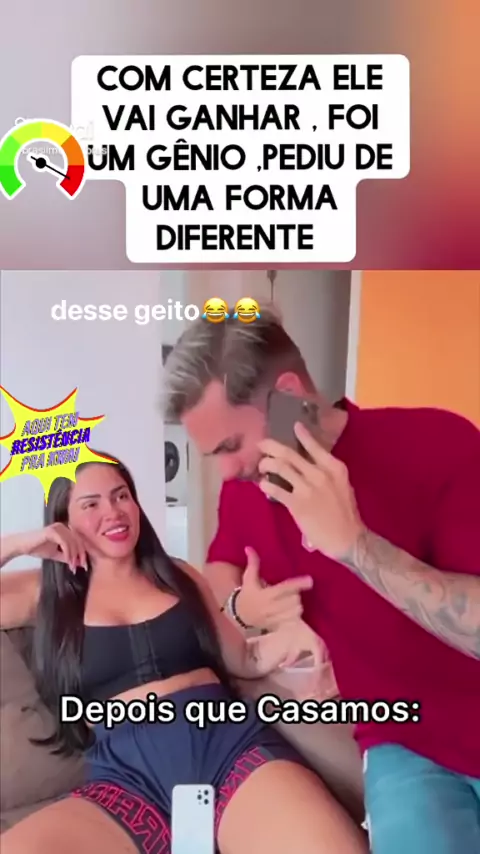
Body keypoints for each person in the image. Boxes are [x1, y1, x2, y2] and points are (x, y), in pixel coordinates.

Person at [164, 307, 480, 854]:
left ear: (288, 396)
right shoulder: (245, 490)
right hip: (403, 743)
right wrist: (242, 607)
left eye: (230, 446)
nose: (226, 471)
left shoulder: (437, 443)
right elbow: (219, 571)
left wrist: (355, 546)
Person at [0, 454, 367, 854]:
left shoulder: (178, 575)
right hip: (126, 782)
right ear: (62, 520)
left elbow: (243, 659)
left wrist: (296, 636)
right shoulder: (44, 593)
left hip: (228, 751)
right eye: (91, 504)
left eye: (121, 496)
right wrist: (21, 544)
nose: (114, 512)